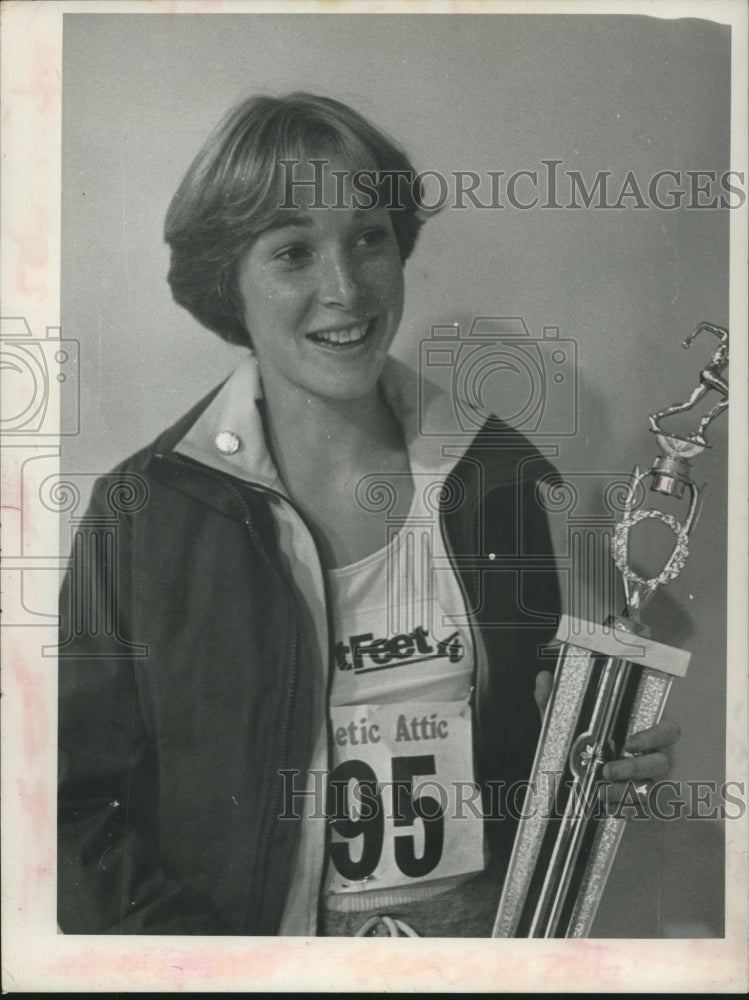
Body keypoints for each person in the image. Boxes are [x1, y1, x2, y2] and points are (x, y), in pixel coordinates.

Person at [57, 92, 680, 937]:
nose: (345, 289)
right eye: (291, 253)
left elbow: (520, 764)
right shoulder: (144, 513)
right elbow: (73, 811)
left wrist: (594, 766)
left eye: (367, 238)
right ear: (226, 282)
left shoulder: (490, 480)